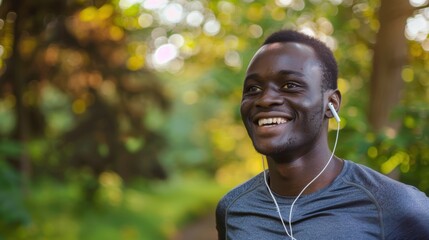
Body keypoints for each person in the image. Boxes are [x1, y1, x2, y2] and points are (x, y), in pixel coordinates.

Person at [215, 29, 429, 240]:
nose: (265, 99)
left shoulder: (394, 205)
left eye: (290, 85)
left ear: (331, 104)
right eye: (253, 89)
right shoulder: (233, 209)